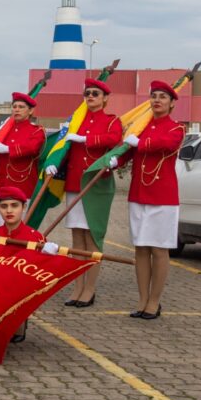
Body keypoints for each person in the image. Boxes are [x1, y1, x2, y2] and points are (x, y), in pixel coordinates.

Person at [47, 77, 121, 308]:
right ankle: (78, 286)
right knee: (77, 239)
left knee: (92, 238)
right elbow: (62, 145)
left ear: (105, 98)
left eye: (95, 94)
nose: (90, 97)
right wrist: (53, 160)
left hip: (96, 185)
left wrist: (85, 139)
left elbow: (114, 139)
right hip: (74, 184)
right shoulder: (76, 121)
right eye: (87, 93)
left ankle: (90, 288)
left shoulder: (111, 121)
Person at [117, 80, 184, 320]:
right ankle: (142, 299)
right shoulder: (142, 126)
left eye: (162, 97)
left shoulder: (176, 128)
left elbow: (167, 144)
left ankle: (155, 302)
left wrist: (140, 142)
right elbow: (128, 151)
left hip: (162, 197)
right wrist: (114, 161)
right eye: (154, 96)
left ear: (172, 103)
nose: (157, 100)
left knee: (159, 249)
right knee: (141, 248)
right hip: (138, 193)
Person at [0, 186, 58, 342]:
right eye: (4, 206)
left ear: (23, 207)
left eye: (14, 206)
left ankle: (19, 321)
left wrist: (49, 254)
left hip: (19, 286)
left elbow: (41, 270)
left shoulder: (35, 237)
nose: (9, 211)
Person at [0, 92, 46, 224]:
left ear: (30, 111)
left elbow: (32, 147)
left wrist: (8, 149)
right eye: (14, 106)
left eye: (21, 107)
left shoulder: (37, 130)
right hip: (2, 184)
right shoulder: (5, 130)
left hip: (23, 185)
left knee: (20, 227)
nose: (17, 109)